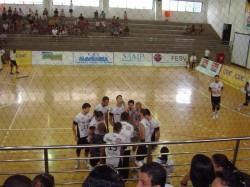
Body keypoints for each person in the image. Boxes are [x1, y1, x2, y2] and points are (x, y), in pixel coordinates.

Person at [72, 103, 92, 169]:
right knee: (78, 150)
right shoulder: (78, 117)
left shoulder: (90, 115)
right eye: (87, 108)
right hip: (81, 136)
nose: (89, 110)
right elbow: (73, 126)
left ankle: (85, 161)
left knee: (87, 149)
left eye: (89, 108)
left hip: (88, 136)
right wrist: (75, 136)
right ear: (83, 108)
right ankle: (77, 162)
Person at [119, 112, 134, 180]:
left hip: (118, 146)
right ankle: (126, 177)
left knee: (118, 160)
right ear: (128, 118)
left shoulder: (117, 124)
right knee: (126, 161)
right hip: (127, 146)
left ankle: (119, 175)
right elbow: (131, 136)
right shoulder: (131, 126)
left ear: (121, 117)